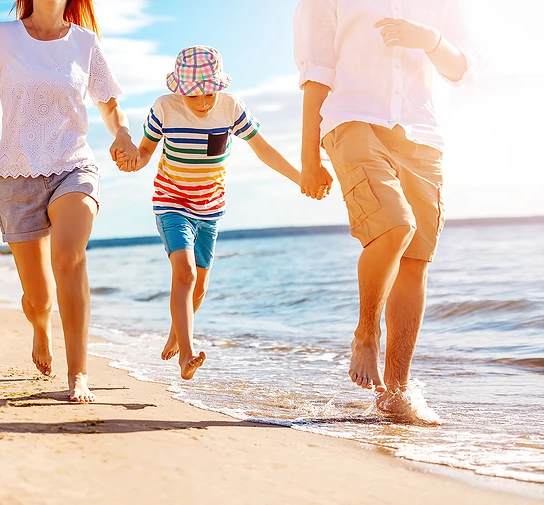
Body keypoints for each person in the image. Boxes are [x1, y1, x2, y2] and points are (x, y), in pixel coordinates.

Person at [0, 0, 138, 403]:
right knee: (39, 300)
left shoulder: (85, 43)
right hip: (16, 175)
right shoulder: (3, 37)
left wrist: (122, 134)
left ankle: (78, 375)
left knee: (69, 258)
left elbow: (109, 105)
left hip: (74, 166)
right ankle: (40, 326)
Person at [295, 0, 479, 423]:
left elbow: (464, 68)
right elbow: (316, 72)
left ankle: (395, 395)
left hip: (422, 133)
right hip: (351, 120)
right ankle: (366, 331)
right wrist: (309, 158)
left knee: (415, 260)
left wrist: (431, 40)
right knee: (396, 227)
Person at [114, 46, 318, 380]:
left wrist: (300, 178)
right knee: (185, 273)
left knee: (201, 288)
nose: (205, 102)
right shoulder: (164, 108)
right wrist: (130, 161)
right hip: (172, 201)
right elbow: (145, 152)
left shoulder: (230, 107)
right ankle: (187, 352)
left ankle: (176, 334)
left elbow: (263, 149)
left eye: (210, 93)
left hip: (210, 208)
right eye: (195, 96)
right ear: (180, 90)